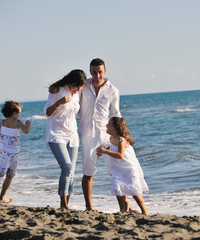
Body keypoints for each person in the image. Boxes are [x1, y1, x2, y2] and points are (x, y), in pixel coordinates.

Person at [49, 58, 121, 210]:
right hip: (87, 135)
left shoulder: (113, 90)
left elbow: (116, 113)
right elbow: (69, 90)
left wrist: (122, 135)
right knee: (88, 172)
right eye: (94, 72)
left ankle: (124, 205)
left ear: (105, 71)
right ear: (90, 72)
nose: (97, 75)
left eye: (100, 72)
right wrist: (54, 88)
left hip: (106, 135)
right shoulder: (83, 87)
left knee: (117, 169)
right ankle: (89, 206)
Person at [44, 69, 87, 209]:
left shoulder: (77, 94)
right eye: (77, 87)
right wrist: (58, 103)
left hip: (72, 134)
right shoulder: (57, 90)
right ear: (72, 83)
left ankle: (67, 203)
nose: (78, 90)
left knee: (72, 171)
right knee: (67, 167)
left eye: (80, 88)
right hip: (56, 134)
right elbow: (47, 113)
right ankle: (63, 204)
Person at [96, 117, 149, 214]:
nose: (106, 126)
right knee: (117, 188)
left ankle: (144, 211)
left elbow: (120, 155)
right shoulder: (111, 138)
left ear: (115, 128)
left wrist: (105, 151)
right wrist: (103, 151)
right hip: (117, 168)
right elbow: (112, 147)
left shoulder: (121, 140)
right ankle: (124, 209)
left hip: (128, 168)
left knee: (135, 192)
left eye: (109, 124)